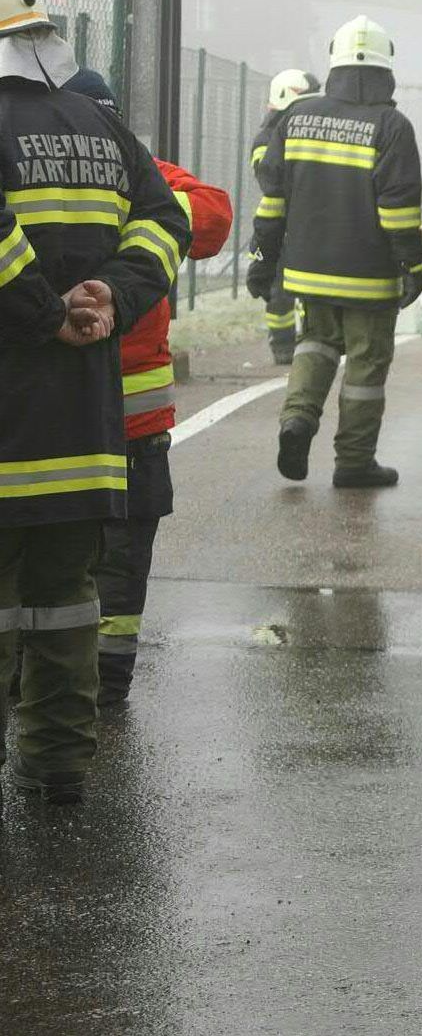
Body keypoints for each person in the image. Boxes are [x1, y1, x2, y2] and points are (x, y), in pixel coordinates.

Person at [0, 0, 189, 805]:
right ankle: (60, 763)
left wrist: (45, 312)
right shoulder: (99, 127)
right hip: (81, 426)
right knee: (64, 600)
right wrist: (112, 291)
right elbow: (167, 219)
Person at [59, 70, 233, 706]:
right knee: (121, 556)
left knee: (54, 551)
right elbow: (209, 216)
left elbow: (214, 216)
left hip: (61, 405)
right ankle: (104, 683)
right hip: (133, 415)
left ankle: (57, 680)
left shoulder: (38, 172)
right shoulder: (147, 174)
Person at [248, 18, 422, 488]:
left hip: (306, 271)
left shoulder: (295, 118)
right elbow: (399, 211)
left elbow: (272, 202)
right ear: (386, 67)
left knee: (315, 344)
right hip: (369, 277)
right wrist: (413, 266)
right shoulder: (392, 126)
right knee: (365, 366)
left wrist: (263, 260)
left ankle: (297, 420)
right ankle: (353, 461)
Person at [250, 69, 317, 365]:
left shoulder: (305, 129)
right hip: (280, 223)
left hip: (307, 220)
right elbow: (270, 181)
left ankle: (309, 340)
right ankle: (282, 344)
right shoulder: (266, 138)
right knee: (279, 287)